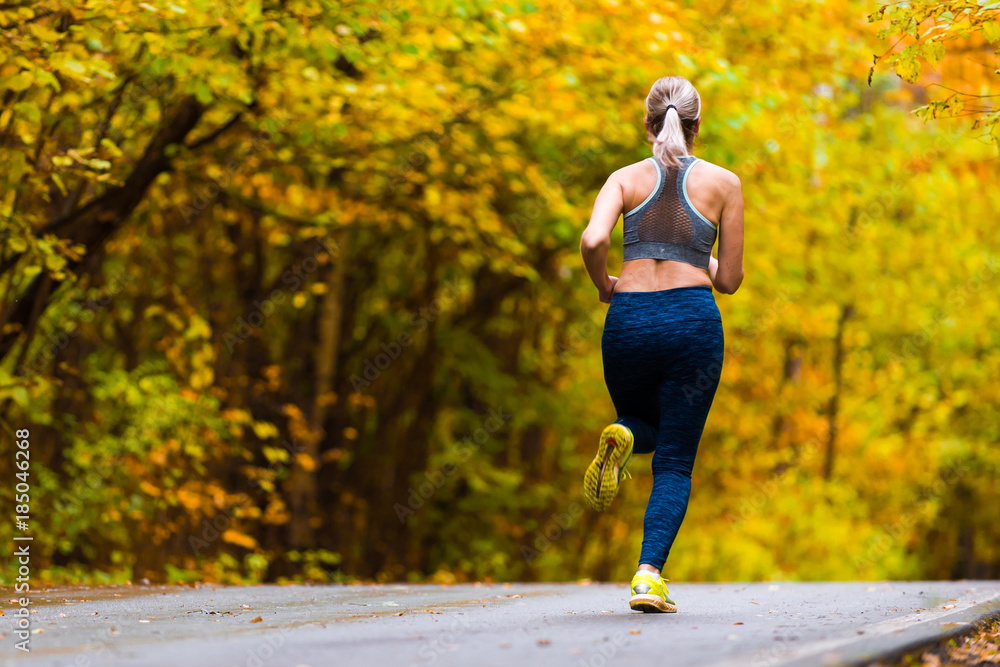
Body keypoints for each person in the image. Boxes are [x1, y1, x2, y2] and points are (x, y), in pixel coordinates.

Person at [579, 75, 745, 613]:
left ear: (647, 122)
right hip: (692, 326)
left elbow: (593, 239)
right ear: (698, 125)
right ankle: (648, 575)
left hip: (628, 321)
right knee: (673, 461)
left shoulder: (623, 179)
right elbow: (731, 281)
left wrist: (605, 283)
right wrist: (699, 258)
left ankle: (622, 432)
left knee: (638, 418)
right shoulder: (724, 184)